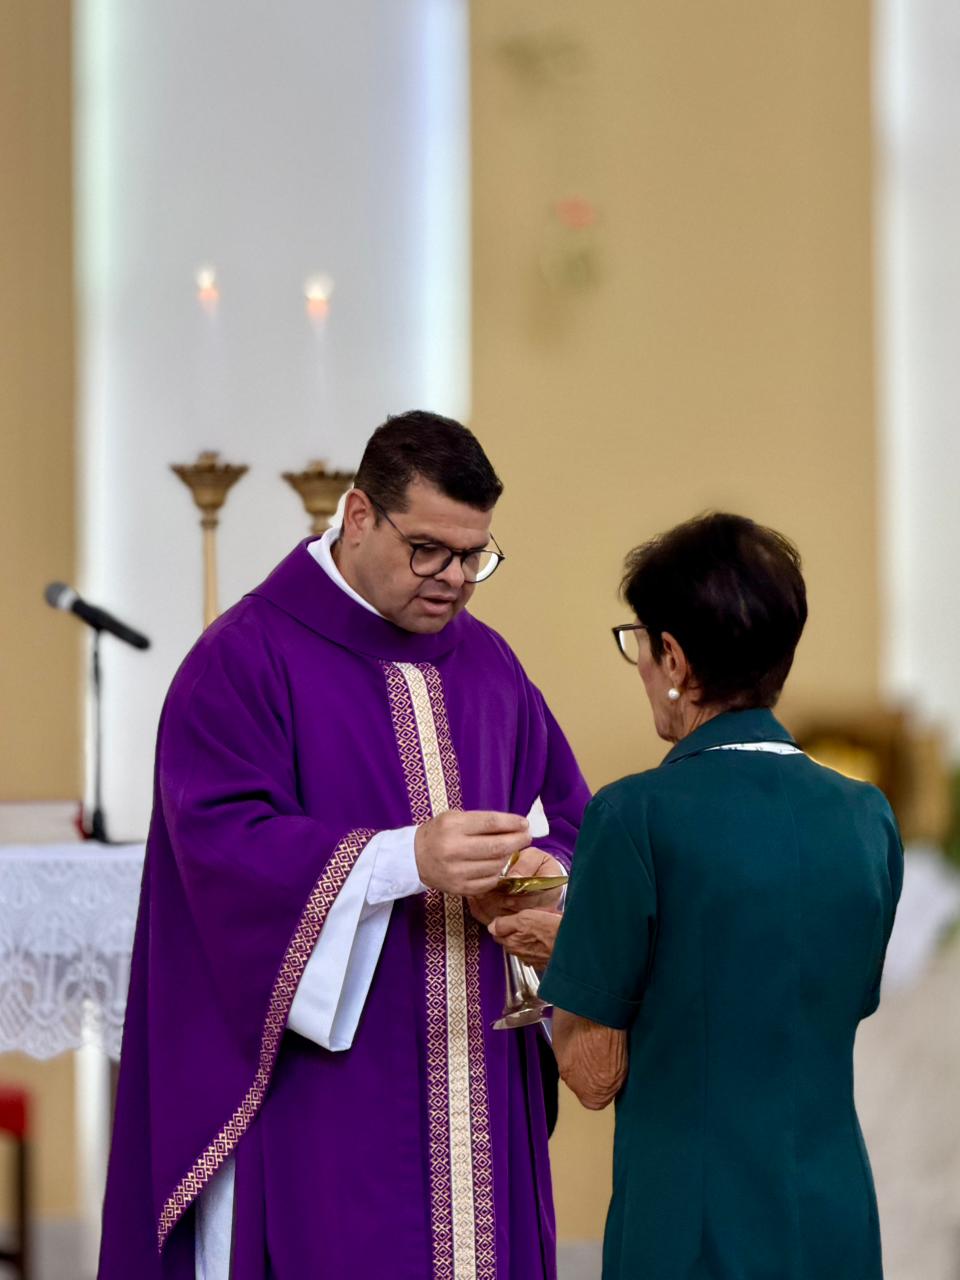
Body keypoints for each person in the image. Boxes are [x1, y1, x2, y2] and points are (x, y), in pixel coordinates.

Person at [98, 411, 590, 1280]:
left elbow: (573, 821)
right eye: (428, 550)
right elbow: (222, 853)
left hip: (479, 1073)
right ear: (359, 515)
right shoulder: (243, 660)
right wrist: (407, 860)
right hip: (328, 1098)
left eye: (474, 556)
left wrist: (541, 876)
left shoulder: (491, 667)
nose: (454, 580)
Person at [513, 512, 902, 1280]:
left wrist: (563, 960)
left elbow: (594, 1074)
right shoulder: (868, 817)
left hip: (691, 1229)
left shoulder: (633, 815)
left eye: (640, 643)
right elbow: (812, 998)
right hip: (834, 1220)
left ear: (675, 658)